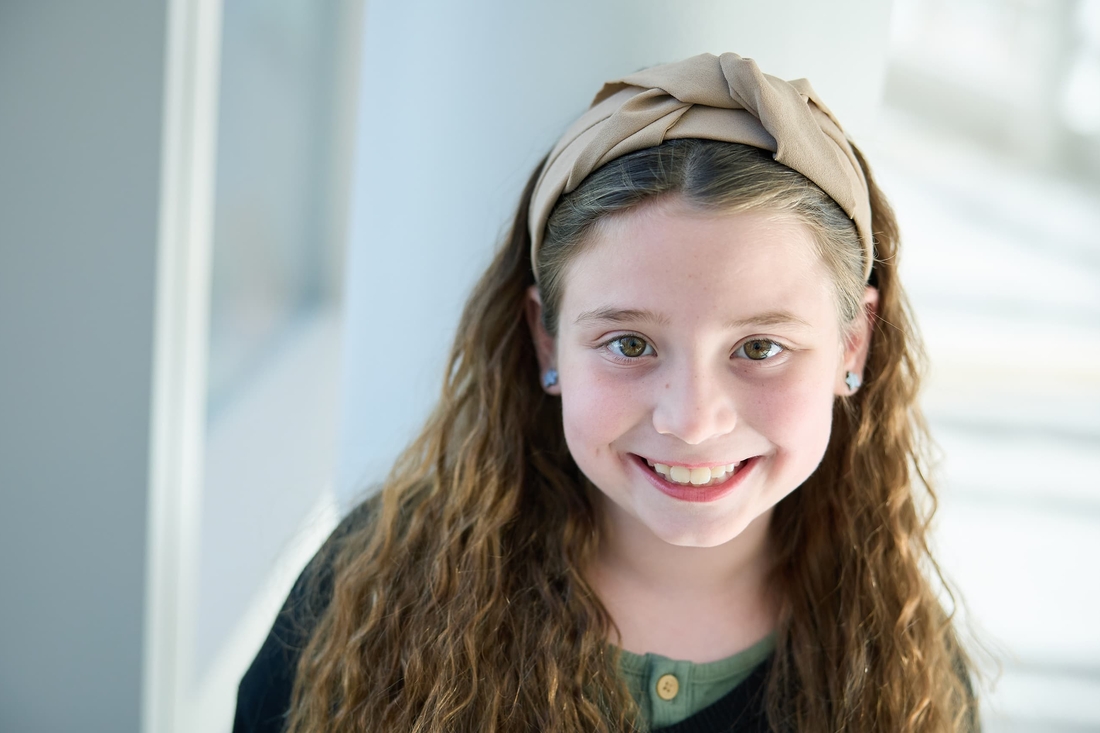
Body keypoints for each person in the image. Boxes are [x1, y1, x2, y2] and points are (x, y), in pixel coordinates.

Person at [233, 52, 979, 732]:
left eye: (760, 347)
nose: (690, 420)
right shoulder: (369, 593)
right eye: (629, 344)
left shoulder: (909, 674)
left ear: (854, 344)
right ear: (547, 340)